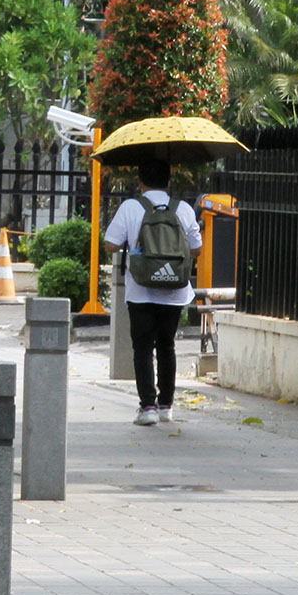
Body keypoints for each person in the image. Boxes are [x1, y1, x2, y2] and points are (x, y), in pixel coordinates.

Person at [104, 159, 202, 427]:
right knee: (167, 346)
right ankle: (166, 406)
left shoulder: (131, 207)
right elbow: (196, 249)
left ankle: (147, 406)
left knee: (143, 347)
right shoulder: (182, 209)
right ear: (169, 181)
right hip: (174, 291)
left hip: (140, 290)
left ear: (141, 182)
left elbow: (111, 245)